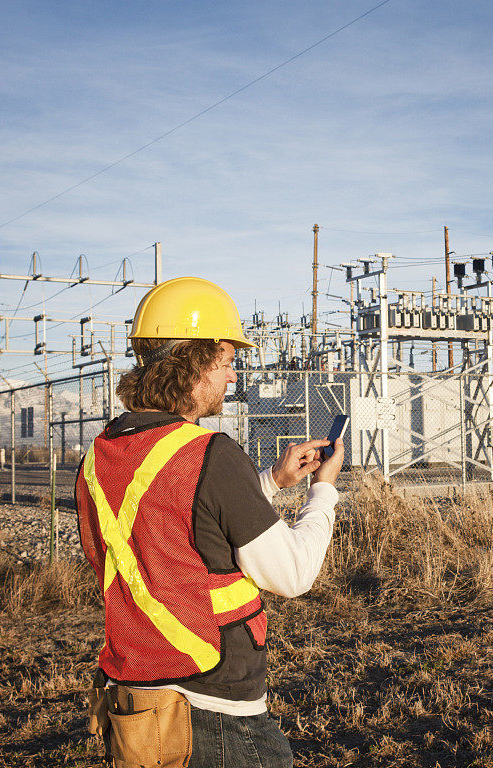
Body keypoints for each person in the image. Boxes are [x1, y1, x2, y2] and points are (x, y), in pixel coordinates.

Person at [75, 276, 344, 768]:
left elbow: (173, 523)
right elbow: (293, 574)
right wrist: (322, 491)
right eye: (226, 362)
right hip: (215, 712)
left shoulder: (101, 457)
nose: (233, 377)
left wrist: (270, 480)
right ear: (193, 364)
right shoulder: (211, 455)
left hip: (136, 705)